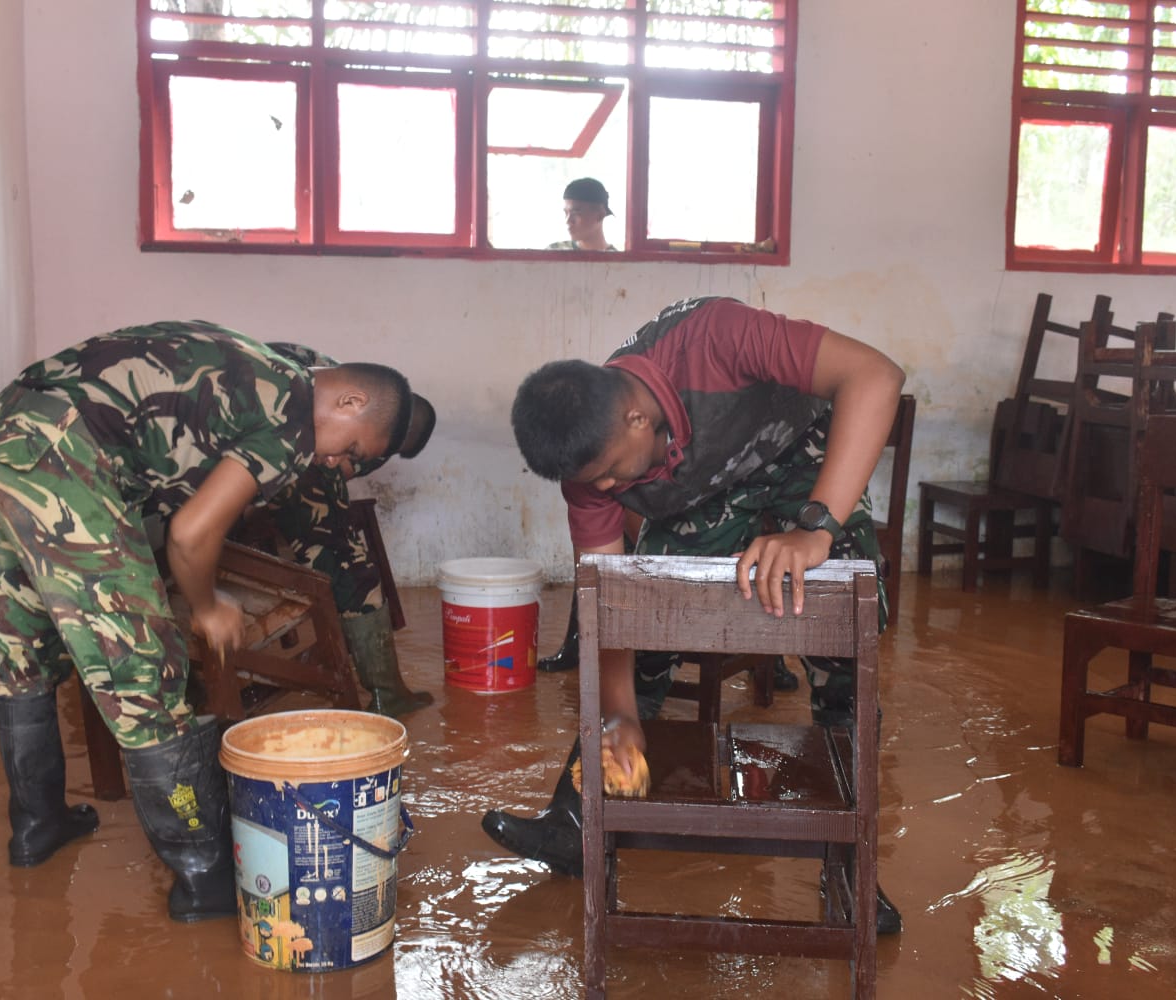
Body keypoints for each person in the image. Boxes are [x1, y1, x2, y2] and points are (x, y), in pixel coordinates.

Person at [0, 319, 419, 924]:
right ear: (350, 401)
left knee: (23, 649)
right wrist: (206, 608)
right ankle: (204, 875)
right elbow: (190, 534)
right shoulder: (291, 414)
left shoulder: (263, 364)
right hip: (62, 455)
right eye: (352, 451)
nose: (336, 463)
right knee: (144, 675)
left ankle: (36, 825)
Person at [487, 295, 908, 933]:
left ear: (636, 418)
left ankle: (852, 863)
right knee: (650, 616)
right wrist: (619, 713)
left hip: (805, 460)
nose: (604, 490)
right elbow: (610, 599)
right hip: (707, 490)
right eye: (592, 483)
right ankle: (575, 823)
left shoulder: (715, 336)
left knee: (843, 637)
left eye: (610, 474)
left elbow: (876, 375)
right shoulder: (591, 464)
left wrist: (815, 529)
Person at [259, 341, 436, 717]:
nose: (365, 462)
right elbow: (333, 469)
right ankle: (387, 693)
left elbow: (341, 468)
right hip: (270, 458)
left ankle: (384, 686)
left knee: (344, 553)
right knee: (349, 564)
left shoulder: (333, 378)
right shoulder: (322, 418)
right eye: (369, 452)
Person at [546, 177, 616, 251]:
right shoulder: (554, 251)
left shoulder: (616, 257)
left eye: (576, 212)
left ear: (600, 215)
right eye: (566, 213)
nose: (568, 221)